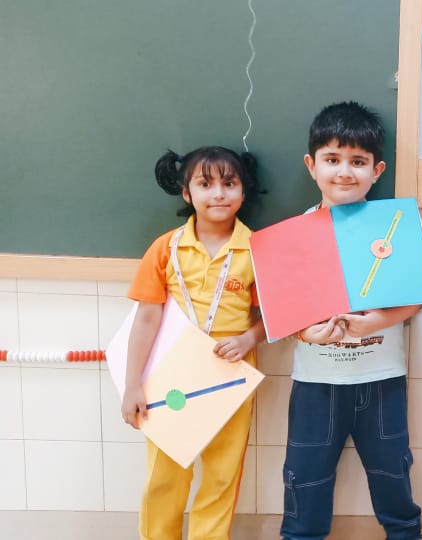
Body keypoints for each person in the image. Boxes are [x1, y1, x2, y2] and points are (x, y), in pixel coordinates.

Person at [280, 101, 422, 540]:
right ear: (311, 165)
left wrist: (377, 321)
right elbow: (284, 312)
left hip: (381, 379)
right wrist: (305, 331)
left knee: (393, 473)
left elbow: (417, 300)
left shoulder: (395, 227)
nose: (345, 171)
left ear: (377, 170)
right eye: (332, 159)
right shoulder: (293, 233)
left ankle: (405, 533)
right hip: (315, 382)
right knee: (304, 477)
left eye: (358, 162)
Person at [122, 145, 266, 540]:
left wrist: (247, 338)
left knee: (222, 475)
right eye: (205, 184)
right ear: (187, 194)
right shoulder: (165, 248)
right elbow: (146, 318)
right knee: (164, 474)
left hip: (232, 374)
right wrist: (133, 384)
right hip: (172, 373)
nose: (218, 193)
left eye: (229, 183)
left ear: (242, 191)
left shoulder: (258, 249)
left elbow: (272, 317)